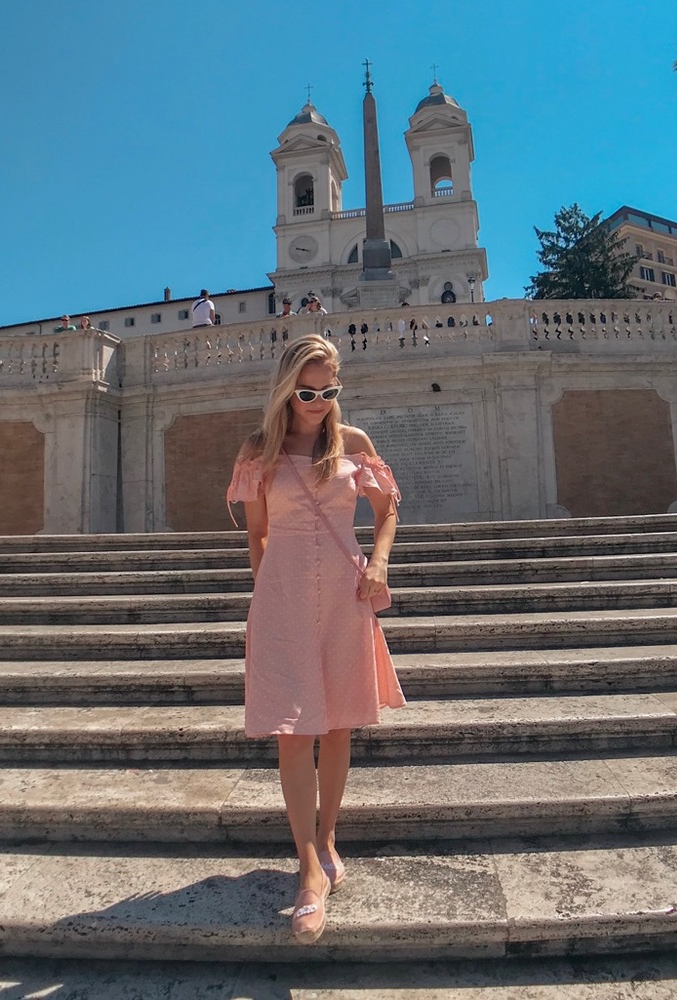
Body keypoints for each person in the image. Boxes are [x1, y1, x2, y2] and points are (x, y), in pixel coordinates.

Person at [226, 333, 405, 945]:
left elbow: (387, 511)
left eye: (330, 391)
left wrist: (378, 562)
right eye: (308, 391)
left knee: (336, 727)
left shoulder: (353, 443)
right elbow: (258, 536)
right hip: (282, 598)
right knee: (292, 733)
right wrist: (267, 596)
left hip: (344, 595)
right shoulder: (259, 450)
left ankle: (327, 837)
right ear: (286, 387)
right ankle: (309, 870)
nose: (320, 401)